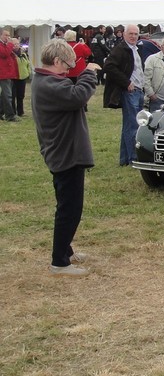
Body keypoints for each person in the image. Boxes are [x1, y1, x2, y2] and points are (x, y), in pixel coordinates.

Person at [31, 39, 100, 277]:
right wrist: (88, 73)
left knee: (69, 205)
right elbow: (78, 96)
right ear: (57, 61)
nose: (69, 70)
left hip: (63, 152)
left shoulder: (45, 81)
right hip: (64, 154)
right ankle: (59, 262)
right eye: (67, 65)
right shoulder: (49, 84)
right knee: (69, 209)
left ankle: (66, 250)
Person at [104, 24, 145, 165]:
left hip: (139, 90)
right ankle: (133, 158)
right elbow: (109, 66)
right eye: (131, 34)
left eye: (135, 34)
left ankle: (125, 159)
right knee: (132, 125)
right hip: (130, 92)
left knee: (131, 125)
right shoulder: (121, 49)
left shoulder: (135, 49)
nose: (133, 36)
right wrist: (126, 82)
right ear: (124, 34)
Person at [0, 29, 19, 121]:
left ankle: (1, 112)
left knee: (4, 94)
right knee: (7, 95)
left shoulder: (5, 45)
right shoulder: (2, 45)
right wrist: (11, 44)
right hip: (3, 73)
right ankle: (9, 115)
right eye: (6, 35)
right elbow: (4, 53)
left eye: (8, 35)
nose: (8, 37)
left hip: (7, 73)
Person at [12, 38, 32, 117]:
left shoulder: (23, 53)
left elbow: (28, 63)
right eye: (14, 44)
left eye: (17, 44)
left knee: (21, 96)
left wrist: (28, 72)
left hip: (23, 77)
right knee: (13, 96)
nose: (16, 46)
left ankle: (20, 112)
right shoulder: (11, 54)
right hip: (13, 77)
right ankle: (13, 112)